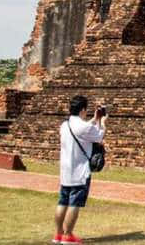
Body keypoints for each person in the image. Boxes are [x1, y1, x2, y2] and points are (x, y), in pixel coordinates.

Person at [55, 95, 106, 245]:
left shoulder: (65, 125)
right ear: (83, 109)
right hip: (80, 171)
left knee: (62, 202)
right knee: (74, 204)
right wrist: (102, 122)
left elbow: (83, 130)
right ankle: (68, 235)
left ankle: (58, 234)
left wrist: (94, 119)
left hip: (66, 171)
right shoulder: (84, 126)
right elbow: (99, 136)